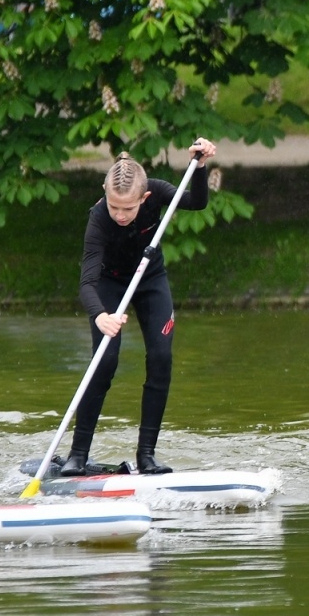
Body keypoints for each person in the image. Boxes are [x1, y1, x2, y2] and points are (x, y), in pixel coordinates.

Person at [70, 139, 217, 476]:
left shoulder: (157, 192)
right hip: (108, 285)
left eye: (128, 209)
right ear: (105, 195)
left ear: (144, 199)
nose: (120, 215)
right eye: (114, 207)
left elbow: (196, 202)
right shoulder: (98, 220)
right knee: (104, 361)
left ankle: (146, 456)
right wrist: (101, 315)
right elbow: (87, 283)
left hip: (150, 280)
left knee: (162, 358)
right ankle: (78, 455)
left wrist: (200, 167)